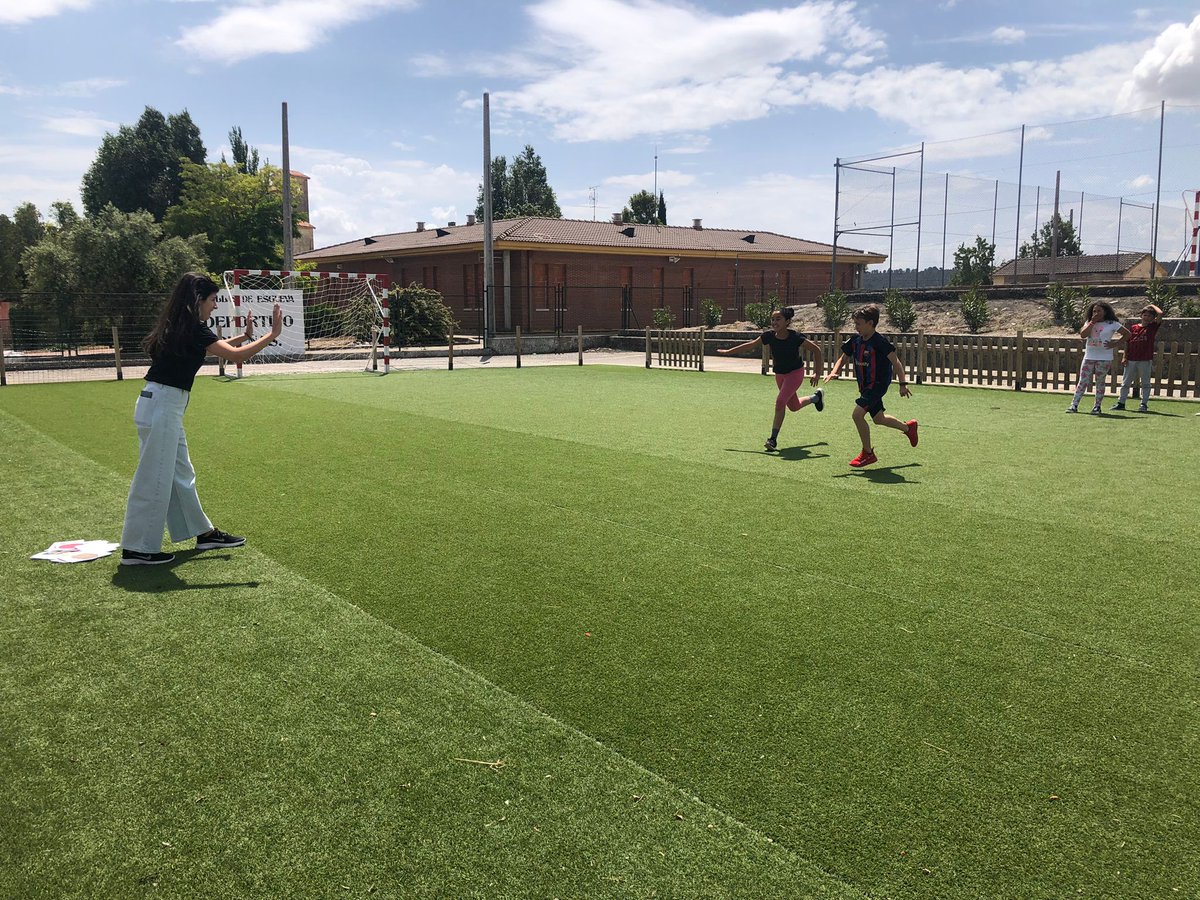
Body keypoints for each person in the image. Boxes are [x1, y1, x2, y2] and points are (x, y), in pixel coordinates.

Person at [120, 272, 282, 565]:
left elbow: (217, 348)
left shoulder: (180, 325)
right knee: (153, 478)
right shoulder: (193, 327)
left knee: (181, 473)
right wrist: (272, 335)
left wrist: (246, 336)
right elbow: (235, 357)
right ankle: (137, 548)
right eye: (212, 300)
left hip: (159, 405)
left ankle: (203, 533)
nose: (215, 306)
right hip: (163, 407)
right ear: (198, 300)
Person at [715, 307, 825, 451]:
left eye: (778, 319)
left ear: (787, 321)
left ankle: (772, 440)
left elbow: (816, 350)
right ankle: (816, 397)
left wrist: (817, 373)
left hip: (795, 373)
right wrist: (729, 352)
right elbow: (750, 345)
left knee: (780, 402)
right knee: (794, 406)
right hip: (780, 375)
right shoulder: (769, 336)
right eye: (772, 319)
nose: (774, 322)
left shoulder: (796, 337)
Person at [823, 304, 917, 468]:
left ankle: (868, 453)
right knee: (879, 419)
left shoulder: (879, 342)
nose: (856, 327)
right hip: (865, 386)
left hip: (877, 385)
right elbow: (843, 358)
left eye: (859, 323)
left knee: (857, 415)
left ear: (871, 323)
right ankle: (908, 428)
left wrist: (903, 384)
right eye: (855, 323)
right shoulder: (855, 340)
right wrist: (834, 371)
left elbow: (896, 362)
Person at [1067, 300, 1129, 415]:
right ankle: (1074, 405)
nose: (1096, 313)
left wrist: (1115, 344)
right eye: (1094, 311)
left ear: (1105, 312)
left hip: (1105, 358)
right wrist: (1092, 322)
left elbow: (1127, 334)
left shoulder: (1112, 323)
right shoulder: (1089, 322)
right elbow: (1083, 335)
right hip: (1089, 356)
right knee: (1083, 381)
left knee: (1100, 382)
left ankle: (1097, 406)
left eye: (1099, 311)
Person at [1112, 303, 1162, 412]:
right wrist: (1124, 356)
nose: (1147, 317)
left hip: (1145, 359)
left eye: (1150, 316)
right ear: (1141, 316)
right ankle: (1121, 402)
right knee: (1125, 383)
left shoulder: (1152, 327)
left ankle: (1143, 404)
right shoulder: (1134, 327)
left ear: (1153, 318)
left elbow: (1160, 313)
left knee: (1145, 383)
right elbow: (1128, 342)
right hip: (1131, 358)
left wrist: (1152, 305)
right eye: (1145, 315)